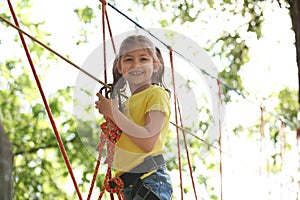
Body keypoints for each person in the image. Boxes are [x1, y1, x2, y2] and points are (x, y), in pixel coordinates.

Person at [95, 35, 173, 200]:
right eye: (129, 59)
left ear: (156, 65)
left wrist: (113, 114)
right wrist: (113, 119)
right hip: (130, 186)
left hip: (149, 181)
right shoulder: (126, 105)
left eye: (143, 59)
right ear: (120, 67)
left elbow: (147, 141)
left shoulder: (156, 93)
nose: (136, 64)